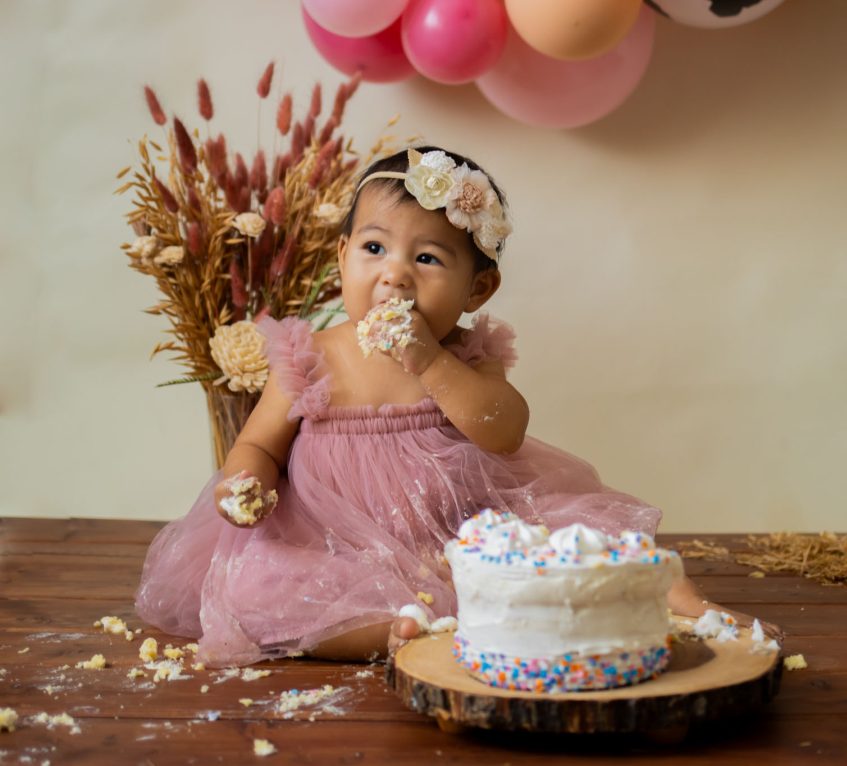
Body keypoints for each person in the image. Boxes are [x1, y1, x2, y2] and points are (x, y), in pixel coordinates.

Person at [135, 146, 778, 667]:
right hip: (337, 547)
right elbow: (258, 443)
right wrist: (243, 484)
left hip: (463, 536)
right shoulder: (312, 355)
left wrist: (429, 361)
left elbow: (504, 432)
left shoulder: (466, 356)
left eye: (427, 258)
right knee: (256, 585)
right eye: (375, 249)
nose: (395, 274)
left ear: (478, 289)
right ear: (341, 257)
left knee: (585, 533)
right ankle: (398, 630)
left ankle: (682, 602)